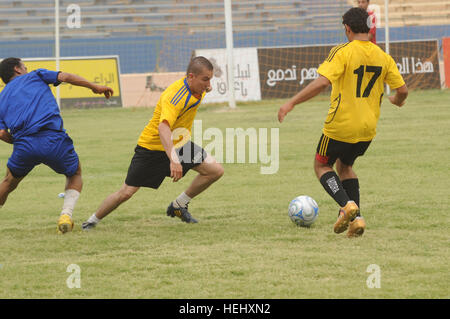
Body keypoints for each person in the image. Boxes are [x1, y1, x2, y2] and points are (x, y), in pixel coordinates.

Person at [278, 8, 408, 237]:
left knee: (321, 166)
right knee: (345, 166)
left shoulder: (342, 51)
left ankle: (346, 205)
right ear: (369, 28)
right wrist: (396, 100)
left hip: (340, 125)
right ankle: (356, 220)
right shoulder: (382, 56)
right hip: (367, 129)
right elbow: (403, 90)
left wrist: (291, 103)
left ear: (347, 28)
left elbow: (321, 83)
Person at [82, 56, 224, 230]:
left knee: (215, 171)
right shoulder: (175, 97)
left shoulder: (199, 87)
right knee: (126, 192)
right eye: (205, 79)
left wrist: (207, 86)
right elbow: (163, 128)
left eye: (210, 79)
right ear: (191, 77)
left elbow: (205, 88)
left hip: (179, 144)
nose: (209, 84)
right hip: (152, 148)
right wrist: (174, 160)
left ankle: (178, 206)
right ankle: (91, 221)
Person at [0, 57, 113, 234]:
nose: (27, 69)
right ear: (17, 69)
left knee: (8, 183)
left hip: (24, 146)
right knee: (75, 173)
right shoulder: (36, 75)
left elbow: (1, 133)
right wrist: (95, 87)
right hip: (53, 139)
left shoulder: (1, 98)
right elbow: (66, 76)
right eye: (24, 67)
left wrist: (20, 140)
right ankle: (66, 215)